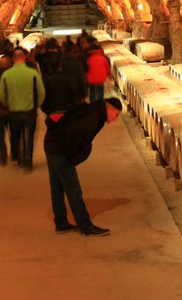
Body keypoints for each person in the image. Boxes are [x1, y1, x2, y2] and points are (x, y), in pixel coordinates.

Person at [43, 97, 123, 237]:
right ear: (109, 108)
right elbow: (75, 135)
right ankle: (86, 227)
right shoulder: (93, 116)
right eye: (116, 114)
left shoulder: (93, 111)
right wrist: (69, 157)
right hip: (59, 149)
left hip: (51, 144)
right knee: (74, 190)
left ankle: (61, 223)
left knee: (57, 187)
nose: (116, 118)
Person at [0, 46, 45, 171]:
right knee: (29, 136)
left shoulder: (7, 75)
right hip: (30, 111)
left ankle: (19, 157)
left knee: (16, 136)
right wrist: (37, 104)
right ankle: (28, 158)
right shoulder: (33, 73)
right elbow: (41, 92)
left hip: (14, 111)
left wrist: (8, 104)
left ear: (13, 59)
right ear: (24, 58)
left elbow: (1, 94)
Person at [40, 49, 81, 117]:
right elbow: (74, 95)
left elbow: (43, 97)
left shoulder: (45, 80)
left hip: (51, 110)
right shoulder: (68, 78)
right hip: (66, 109)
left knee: (53, 125)